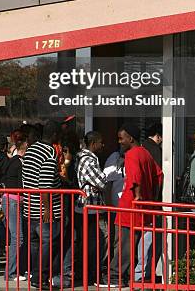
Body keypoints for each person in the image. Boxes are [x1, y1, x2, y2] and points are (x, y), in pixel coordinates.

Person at [106, 124, 163, 287]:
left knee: (123, 245)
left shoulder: (131, 155)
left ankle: (116, 276)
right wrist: (151, 197)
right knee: (132, 244)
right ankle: (124, 276)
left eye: (121, 138)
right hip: (142, 209)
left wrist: (138, 195)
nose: (119, 142)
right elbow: (159, 175)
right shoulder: (145, 152)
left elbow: (135, 177)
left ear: (130, 138)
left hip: (129, 207)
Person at [22, 120, 62, 290]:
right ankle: (41, 278)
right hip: (43, 209)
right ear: (54, 135)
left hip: (30, 208)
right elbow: (45, 185)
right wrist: (47, 209)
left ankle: (35, 276)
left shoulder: (30, 150)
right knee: (47, 244)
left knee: (35, 244)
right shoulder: (49, 153)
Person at [74, 131, 108, 286]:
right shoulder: (88, 160)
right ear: (93, 143)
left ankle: (90, 273)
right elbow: (101, 181)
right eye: (101, 142)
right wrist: (102, 179)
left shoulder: (84, 158)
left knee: (90, 242)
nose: (103, 145)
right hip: (90, 207)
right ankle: (93, 274)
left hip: (90, 207)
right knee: (97, 241)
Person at [135, 123, 164, 283]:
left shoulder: (141, 148)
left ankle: (141, 273)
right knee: (150, 238)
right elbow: (159, 177)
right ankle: (143, 274)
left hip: (141, 201)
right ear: (158, 136)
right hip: (152, 202)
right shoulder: (155, 150)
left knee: (143, 237)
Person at [1, 131, 27, 281]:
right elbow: (20, 184)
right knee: (18, 238)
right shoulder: (19, 163)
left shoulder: (12, 161)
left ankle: (14, 271)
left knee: (17, 237)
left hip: (10, 200)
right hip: (13, 200)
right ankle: (10, 273)